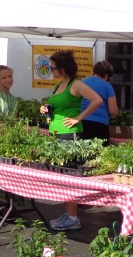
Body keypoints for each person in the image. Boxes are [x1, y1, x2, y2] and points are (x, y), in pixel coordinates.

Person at [41, 50, 102, 231]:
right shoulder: (59, 85)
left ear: (63, 68)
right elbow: (58, 106)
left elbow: (97, 100)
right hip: (57, 133)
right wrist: (46, 108)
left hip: (70, 134)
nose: (51, 71)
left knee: (69, 176)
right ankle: (69, 214)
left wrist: (79, 118)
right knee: (62, 177)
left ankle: (73, 217)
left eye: (53, 68)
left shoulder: (76, 84)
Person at [81, 60, 120, 141]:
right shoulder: (107, 86)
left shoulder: (82, 83)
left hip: (82, 122)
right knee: (100, 152)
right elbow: (113, 111)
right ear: (106, 75)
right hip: (100, 124)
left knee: (83, 150)